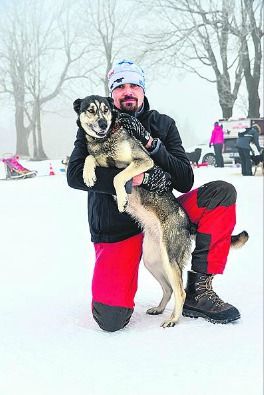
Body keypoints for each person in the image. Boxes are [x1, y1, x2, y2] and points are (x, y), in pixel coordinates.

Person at [67, 59, 241, 332]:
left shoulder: (162, 124)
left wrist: (153, 149)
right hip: (116, 227)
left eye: (134, 85)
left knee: (221, 194)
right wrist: (128, 181)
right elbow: (75, 175)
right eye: (120, 86)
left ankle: (197, 291)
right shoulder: (95, 124)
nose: (128, 91)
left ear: (143, 90)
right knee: (110, 320)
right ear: (111, 95)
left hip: (160, 212)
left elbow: (185, 179)